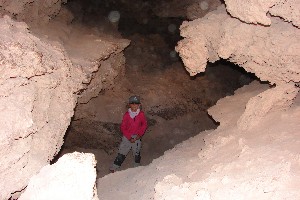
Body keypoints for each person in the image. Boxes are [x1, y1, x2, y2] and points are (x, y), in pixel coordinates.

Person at [109, 95, 148, 173]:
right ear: (129, 104)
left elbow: (144, 125)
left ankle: (137, 167)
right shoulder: (127, 115)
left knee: (136, 152)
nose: (134, 105)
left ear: (139, 105)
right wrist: (129, 137)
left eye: (136, 104)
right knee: (122, 151)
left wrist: (139, 135)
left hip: (137, 136)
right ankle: (115, 166)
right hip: (127, 137)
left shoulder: (141, 114)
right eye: (132, 103)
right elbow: (123, 127)